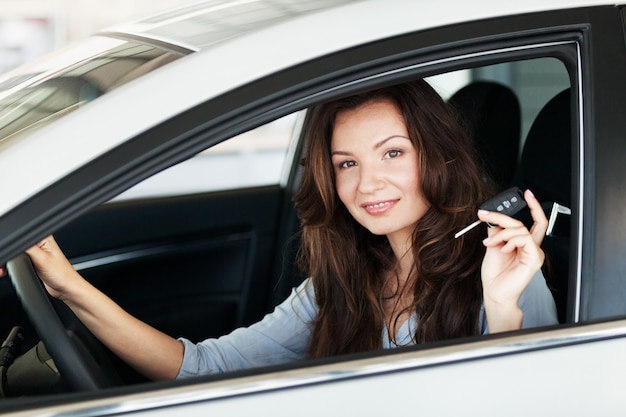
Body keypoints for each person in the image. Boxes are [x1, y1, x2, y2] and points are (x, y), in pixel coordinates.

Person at [2, 79, 558, 381]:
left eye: (392, 152)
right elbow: (199, 367)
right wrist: (67, 286)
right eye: (347, 163)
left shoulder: (503, 273)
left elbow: (532, 399)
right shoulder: (342, 281)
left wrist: (504, 310)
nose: (368, 185)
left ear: (437, 157)